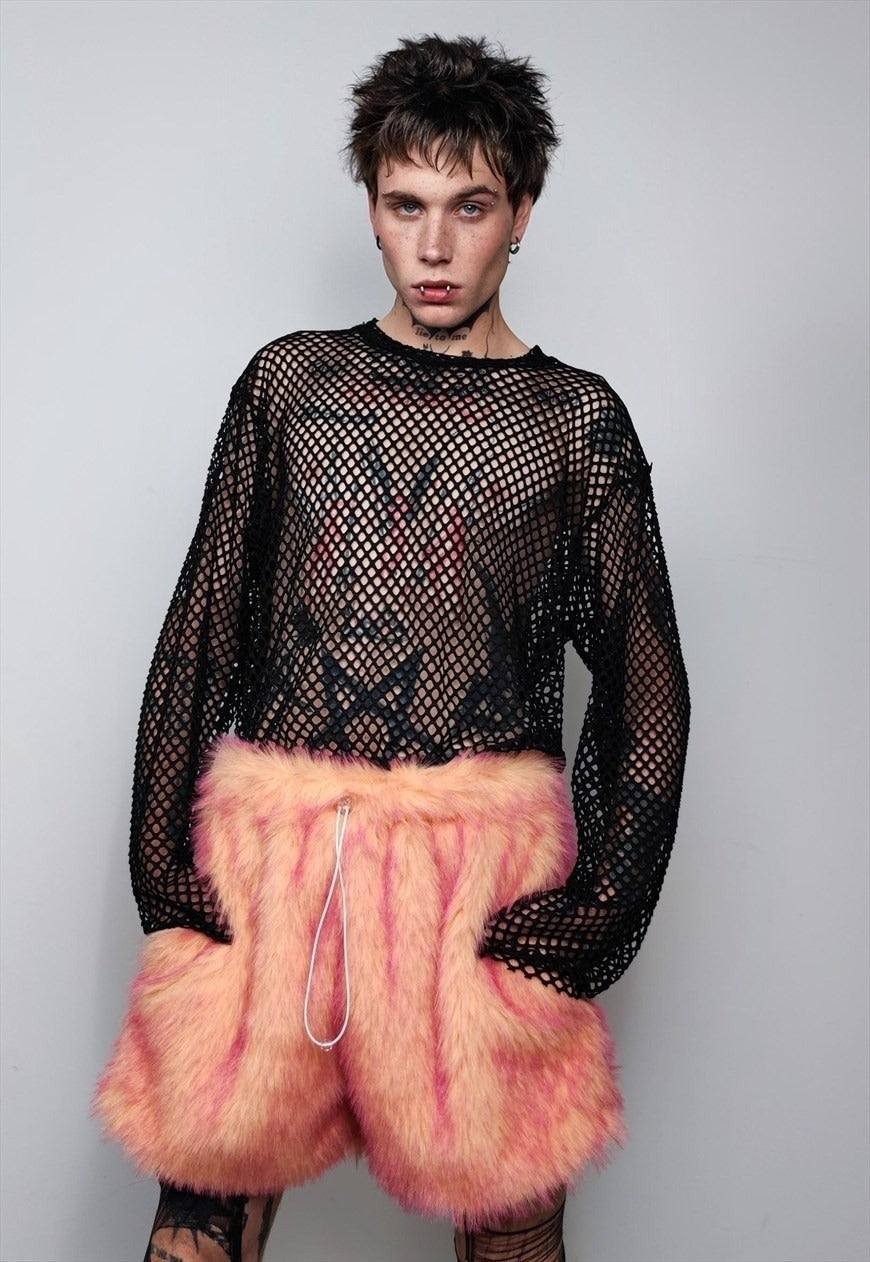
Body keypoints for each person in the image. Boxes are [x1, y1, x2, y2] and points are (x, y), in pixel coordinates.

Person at [93, 32, 691, 1262]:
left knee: (514, 1237)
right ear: (370, 207)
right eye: (405, 204)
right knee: (195, 1235)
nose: (434, 245)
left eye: (469, 207)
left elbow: (647, 686)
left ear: (522, 212)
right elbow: (201, 632)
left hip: (482, 888)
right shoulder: (291, 387)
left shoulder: (575, 422)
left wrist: (598, 911)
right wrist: (165, 875)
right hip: (275, 871)